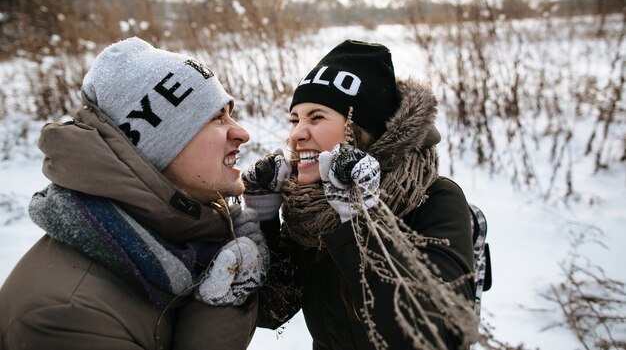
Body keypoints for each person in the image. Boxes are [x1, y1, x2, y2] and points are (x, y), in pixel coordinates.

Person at [0, 37, 267, 350]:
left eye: (229, 113)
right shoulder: (67, 315)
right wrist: (219, 304)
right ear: (153, 147)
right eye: (215, 118)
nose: (242, 133)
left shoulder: (180, 244)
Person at [244, 40, 478, 350]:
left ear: (365, 131)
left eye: (316, 118)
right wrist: (264, 220)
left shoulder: (433, 199)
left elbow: (436, 338)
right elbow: (271, 310)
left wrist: (359, 219)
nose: (296, 135)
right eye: (294, 119)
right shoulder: (310, 208)